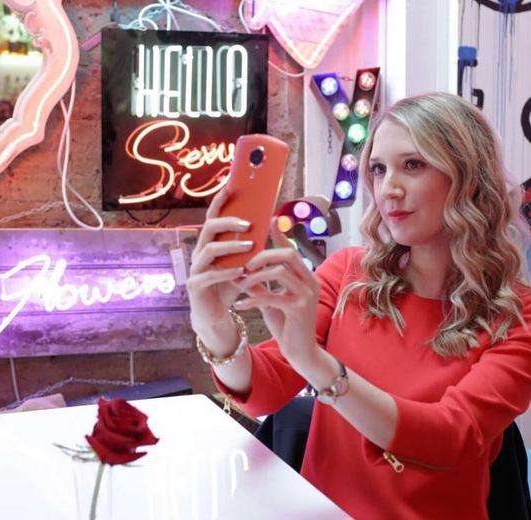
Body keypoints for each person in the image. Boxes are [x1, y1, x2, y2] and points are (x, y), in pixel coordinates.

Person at [186, 92, 531, 519]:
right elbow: (263, 391)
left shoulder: (517, 315)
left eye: (413, 165)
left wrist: (318, 366)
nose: (389, 189)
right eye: (379, 169)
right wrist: (212, 322)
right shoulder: (349, 274)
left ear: (468, 177)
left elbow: (449, 437)